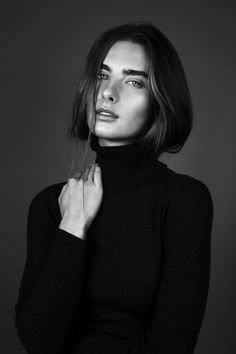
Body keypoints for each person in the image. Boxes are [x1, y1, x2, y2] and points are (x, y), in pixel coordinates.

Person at [14, 22, 214, 354]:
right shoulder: (52, 205)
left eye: (133, 81)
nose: (108, 92)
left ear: (160, 102)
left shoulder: (183, 201)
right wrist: (72, 228)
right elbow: (38, 340)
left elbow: (172, 347)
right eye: (102, 75)